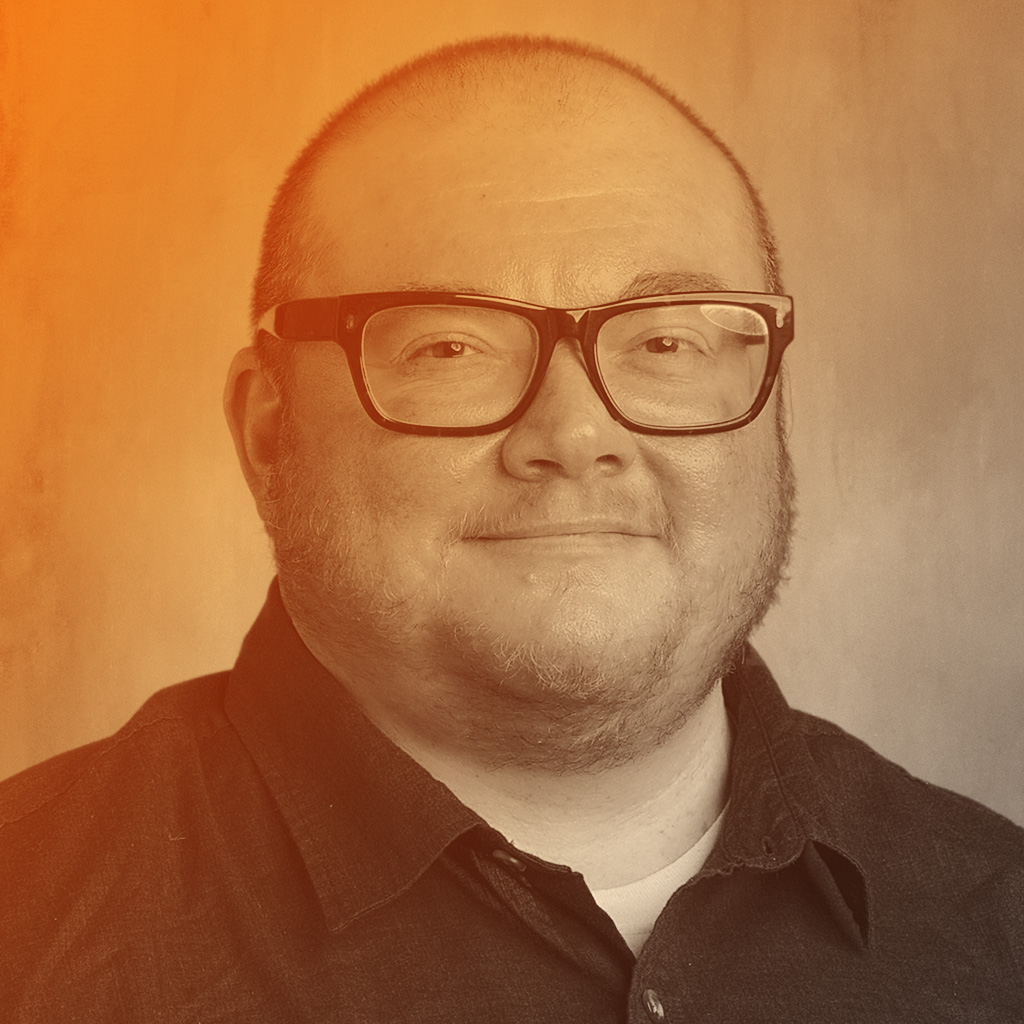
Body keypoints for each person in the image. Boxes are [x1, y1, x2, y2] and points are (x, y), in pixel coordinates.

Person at [1, 35, 1021, 1023]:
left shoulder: (997, 930)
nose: (574, 437)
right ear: (269, 430)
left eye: (666, 342)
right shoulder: (26, 933)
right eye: (450, 347)